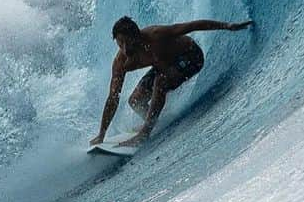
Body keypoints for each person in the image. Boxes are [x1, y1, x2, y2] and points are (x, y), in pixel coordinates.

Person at [91, 15, 253, 147]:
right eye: (121, 44)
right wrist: (102, 134)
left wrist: (227, 25)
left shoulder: (156, 35)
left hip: (191, 57)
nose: (125, 49)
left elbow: (193, 25)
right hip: (164, 66)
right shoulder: (121, 62)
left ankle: (145, 132)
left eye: (128, 42)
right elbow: (113, 97)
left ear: (137, 35)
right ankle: (156, 120)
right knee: (135, 100)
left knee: (160, 82)